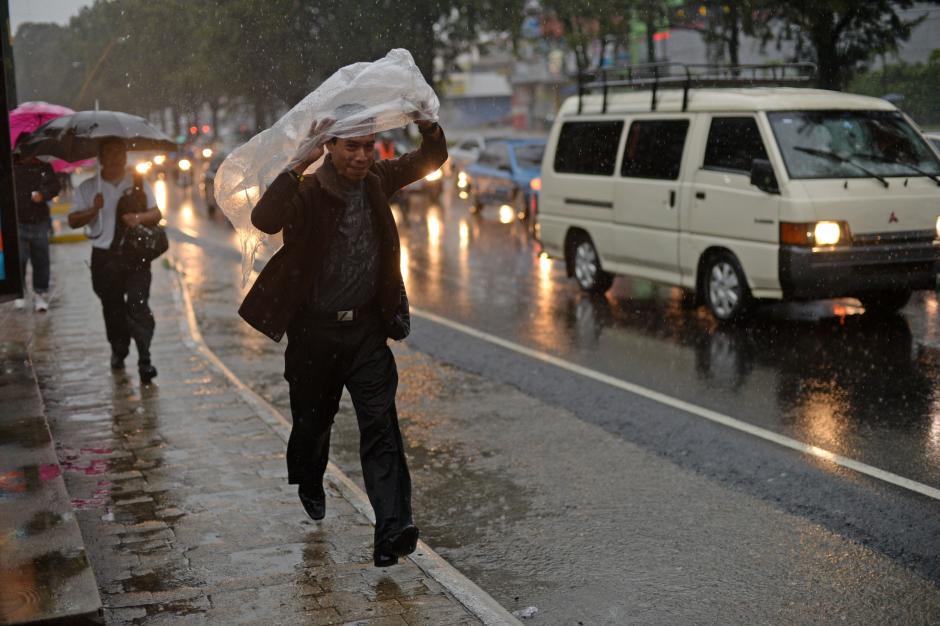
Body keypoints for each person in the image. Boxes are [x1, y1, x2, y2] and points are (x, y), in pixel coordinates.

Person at [239, 107, 447, 567]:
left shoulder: (376, 179)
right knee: (312, 427)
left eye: (367, 146)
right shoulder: (307, 191)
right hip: (314, 335)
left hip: (367, 334)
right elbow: (265, 218)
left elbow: (431, 159)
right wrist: (297, 164)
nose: (360, 156)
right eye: (350, 146)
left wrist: (427, 123)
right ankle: (311, 479)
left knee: (381, 429)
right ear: (329, 148)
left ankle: (391, 531)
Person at [67, 139, 162, 384]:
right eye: (109, 153)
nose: (116, 158)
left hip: (135, 257)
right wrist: (93, 210)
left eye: (120, 152)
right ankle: (119, 349)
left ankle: (145, 359)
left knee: (138, 304)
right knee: (113, 308)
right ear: (100, 158)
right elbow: (73, 220)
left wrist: (139, 218)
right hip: (105, 258)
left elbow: (156, 213)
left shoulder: (139, 183)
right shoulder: (89, 187)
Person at [12, 143, 61, 312]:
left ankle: (40, 293)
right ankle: (20, 292)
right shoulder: (10, 167)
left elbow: (55, 187)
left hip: (39, 221)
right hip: (17, 220)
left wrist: (43, 194)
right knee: (20, 257)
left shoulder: (43, 167)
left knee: (41, 258)